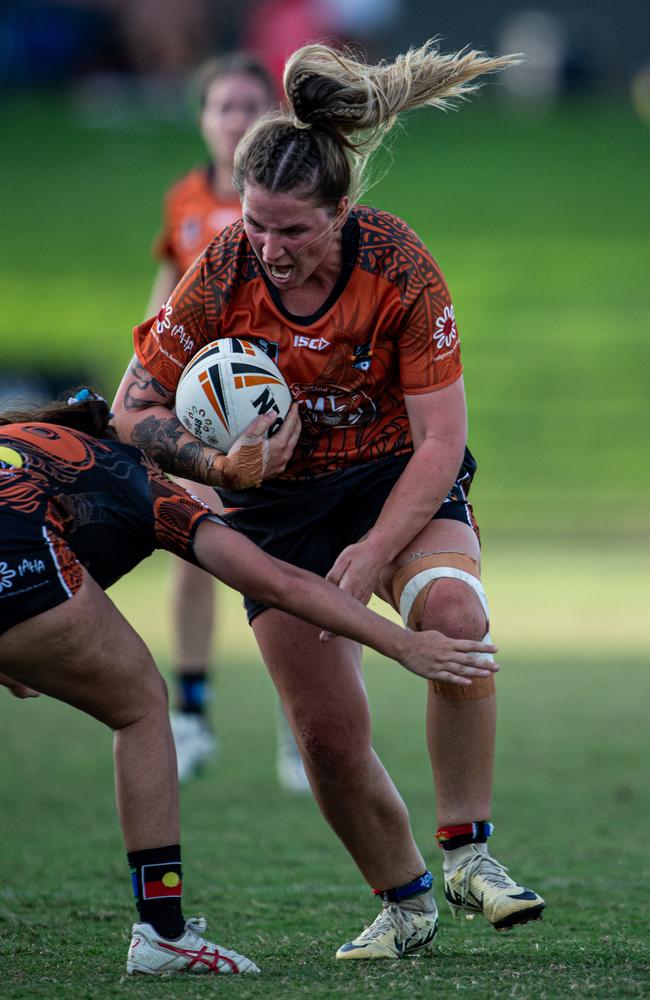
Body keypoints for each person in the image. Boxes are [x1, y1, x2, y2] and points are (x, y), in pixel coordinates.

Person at [111, 38, 546, 961]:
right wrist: (217, 467)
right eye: (255, 224)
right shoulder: (224, 267)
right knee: (325, 733)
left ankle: (469, 851)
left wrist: (377, 545)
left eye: (293, 230)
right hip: (277, 512)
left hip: (396, 480)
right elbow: (133, 406)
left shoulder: (398, 265)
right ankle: (405, 905)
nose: (268, 249)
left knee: (457, 614)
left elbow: (442, 440)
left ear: (344, 210)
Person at [0, 389, 498, 973]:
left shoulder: (31, 442)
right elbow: (280, 583)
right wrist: (404, 644)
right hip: (19, 555)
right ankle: (164, 933)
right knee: (139, 708)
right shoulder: (149, 483)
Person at [145, 52, 307, 789]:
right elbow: (163, 300)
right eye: (224, 108)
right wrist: (150, 376)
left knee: (293, 558)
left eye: (251, 106)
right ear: (204, 119)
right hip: (202, 414)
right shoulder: (185, 200)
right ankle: (193, 714)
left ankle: (302, 724)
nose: (237, 119)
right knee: (197, 544)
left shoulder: (285, 199)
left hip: (278, 408)